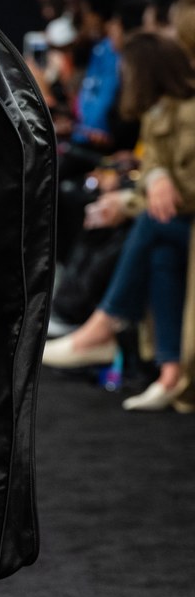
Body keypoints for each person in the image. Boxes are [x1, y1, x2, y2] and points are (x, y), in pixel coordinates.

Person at [43, 32, 195, 410]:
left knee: (149, 225)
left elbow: (181, 191)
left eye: (126, 71)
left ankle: (98, 325)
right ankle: (170, 374)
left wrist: (132, 198)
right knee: (158, 250)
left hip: (182, 219)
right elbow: (157, 173)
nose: (121, 79)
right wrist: (148, 182)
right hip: (176, 223)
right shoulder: (160, 113)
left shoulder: (187, 114)